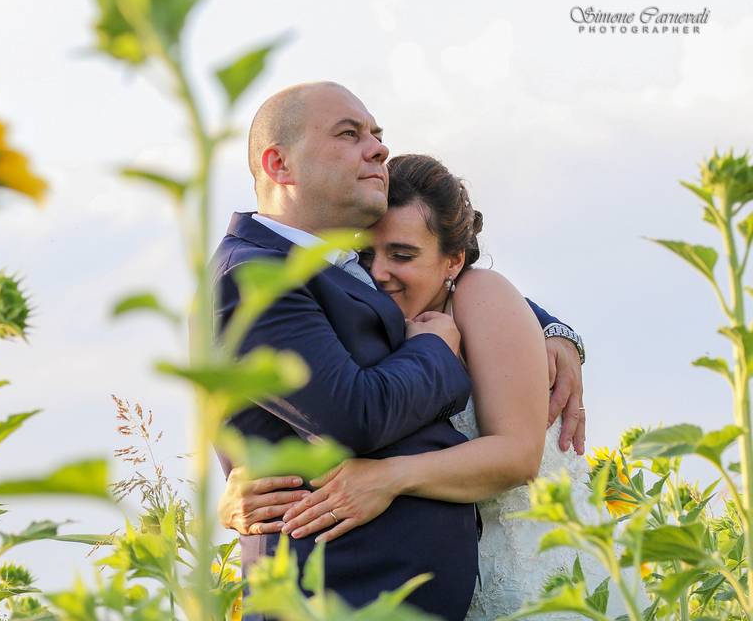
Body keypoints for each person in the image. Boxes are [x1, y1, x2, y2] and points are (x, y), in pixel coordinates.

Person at [210, 81, 584, 621]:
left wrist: (553, 331)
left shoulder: (340, 273)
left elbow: (468, 297)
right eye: (349, 133)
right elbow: (352, 415)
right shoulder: (257, 274)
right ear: (280, 164)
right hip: (334, 596)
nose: (377, 147)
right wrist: (436, 347)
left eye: (378, 135)